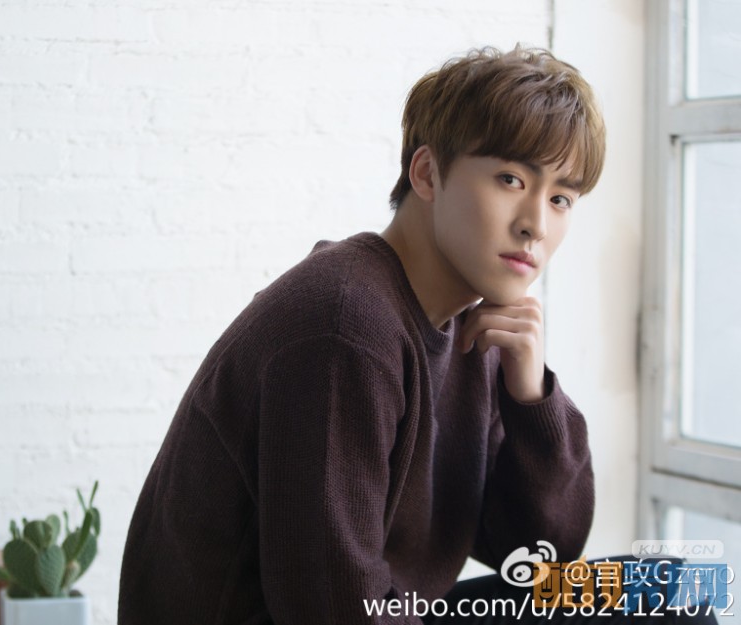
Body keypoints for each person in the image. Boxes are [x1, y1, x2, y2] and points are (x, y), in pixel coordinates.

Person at [118, 46, 717, 624]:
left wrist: (532, 399)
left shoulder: (469, 327)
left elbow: (539, 556)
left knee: (668, 591)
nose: (536, 224)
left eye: (561, 197)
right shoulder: (345, 327)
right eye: (511, 179)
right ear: (428, 173)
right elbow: (331, 609)